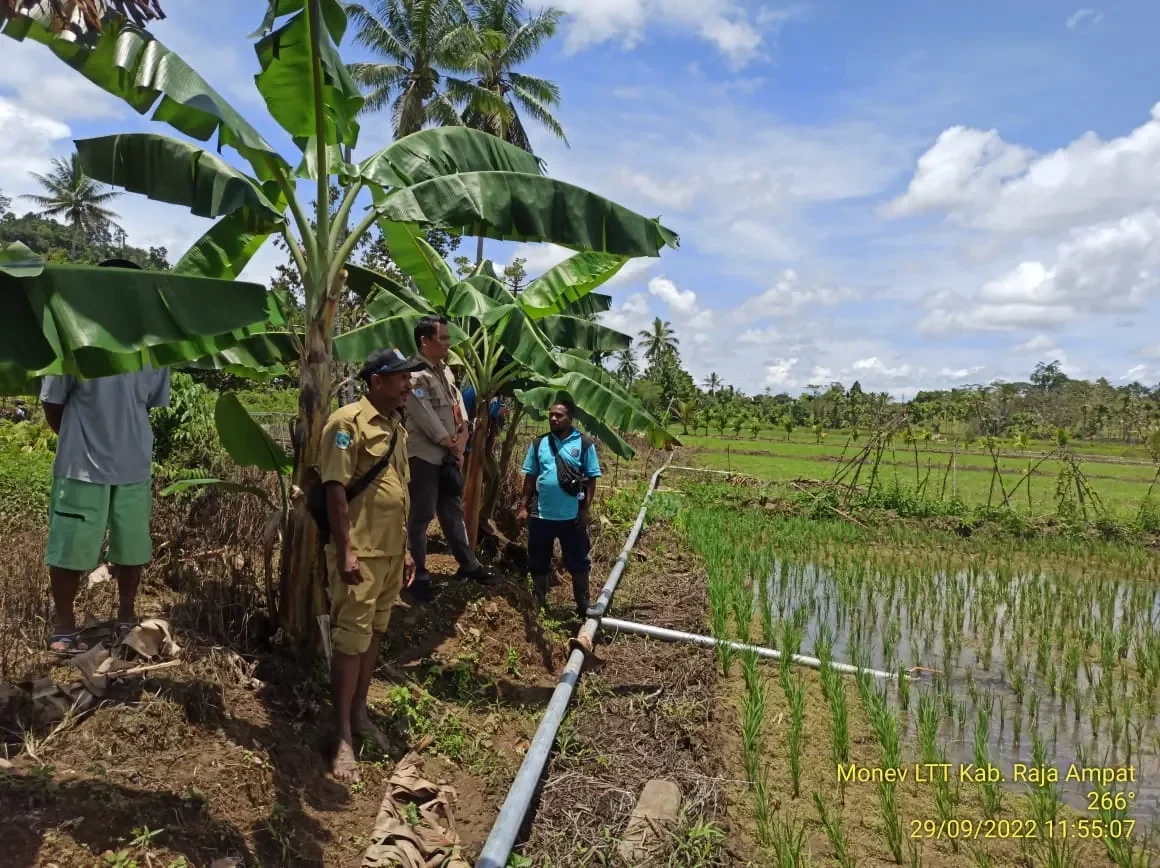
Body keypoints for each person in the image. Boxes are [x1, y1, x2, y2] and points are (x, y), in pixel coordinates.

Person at [39, 259, 171, 654]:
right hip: (82, 465)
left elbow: (148, 403)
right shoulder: (73, 337)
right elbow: (52, 404)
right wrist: (81, 441)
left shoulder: (153, 347)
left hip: (133, 465)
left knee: (132, 548)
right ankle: (65, 625)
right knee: (69, 548)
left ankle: (126, 614)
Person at [319, 348, 424, 783]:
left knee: (374, 634)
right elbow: (335, 489)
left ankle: (360, 713)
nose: (408, 385)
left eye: (409, 378)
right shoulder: (347, 424)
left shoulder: (396, 428)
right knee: (351, 640)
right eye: (401, 378)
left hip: (390, 553)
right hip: (360, 554)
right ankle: (341, 734)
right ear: (377, 380)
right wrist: (345, 550)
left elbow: (399, 493)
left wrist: (407, 550)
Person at [405, 316, 497, 600]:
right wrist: (449, 442)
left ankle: (468, 564)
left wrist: (464, 434)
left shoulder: (445, 371)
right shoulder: (414, 374)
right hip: (424, 455)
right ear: (425, 341)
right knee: (421, 514)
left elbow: (458, 405)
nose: (448, 343)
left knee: (452, 510)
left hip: (449, 455)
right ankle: (418, 574)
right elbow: (423, 414)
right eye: (443, 338)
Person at [517, 399, 602, 618]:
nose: (554, 418)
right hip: (541, 514)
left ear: (570, 418)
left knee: (578, 560)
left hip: (572, 516)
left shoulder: (584, 443)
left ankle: (583, 603)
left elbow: (591, 479)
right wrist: (523, 506)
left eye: (559, 415)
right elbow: (530, 478)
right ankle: (539, 600)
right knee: (538, 559)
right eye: (551, 415)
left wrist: (585, 510)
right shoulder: (539, 444)